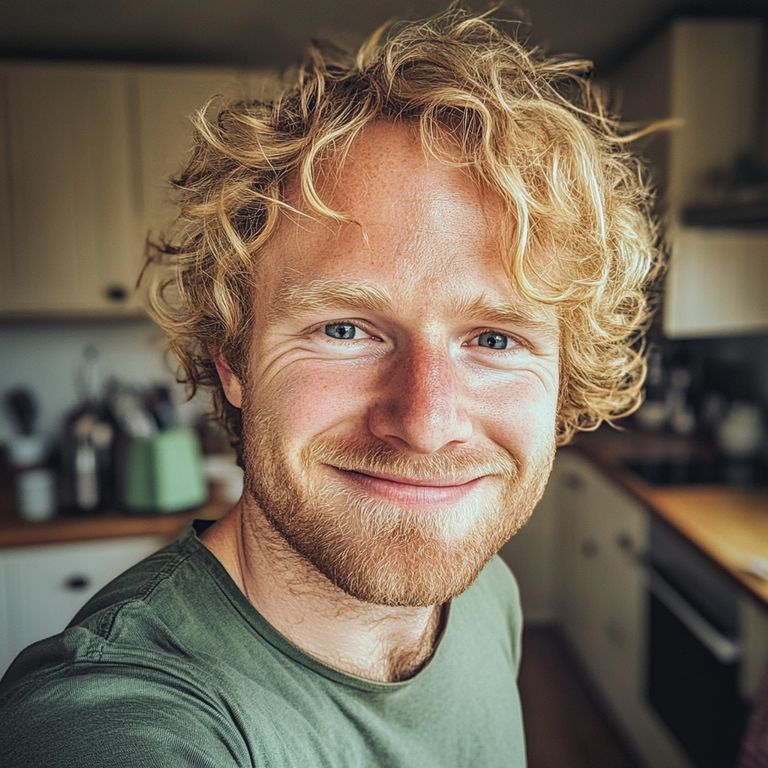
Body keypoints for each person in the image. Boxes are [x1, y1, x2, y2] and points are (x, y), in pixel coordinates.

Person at [0, 7, 659, 766]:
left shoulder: (486, 594)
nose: (427, 422)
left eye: (495, 339)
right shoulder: (115, 716)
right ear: (234, 361)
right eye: (344, 329)